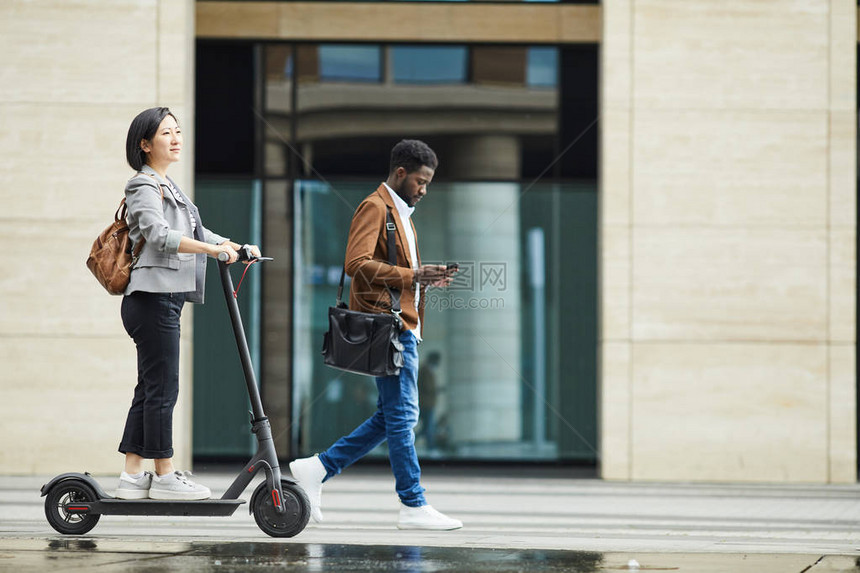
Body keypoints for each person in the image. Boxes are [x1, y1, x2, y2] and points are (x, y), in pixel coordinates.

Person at [290, 139, 462, 530]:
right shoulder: (375, 206)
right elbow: (356, 262)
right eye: (420, 181)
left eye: (428, 183)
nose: (424, 189)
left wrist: (424, 280)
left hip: (404, 323)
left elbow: (395, 271)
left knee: (393, 416)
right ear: (400, 173)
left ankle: (317, 468)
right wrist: (413, 275)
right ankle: (413, 504)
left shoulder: (403, 214)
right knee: (403, 416)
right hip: (389, 327)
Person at [115, 107, 260, 501]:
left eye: (178, 131)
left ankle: (132, 475)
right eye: (166, 133)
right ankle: (163, 475)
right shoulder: (143, 185)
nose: (176, 138)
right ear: (145, 144)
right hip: (151, 298)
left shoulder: (169, 184)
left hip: (165, 299)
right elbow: (160, 236)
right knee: (164, 388)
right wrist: (212, 251)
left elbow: (195, 230)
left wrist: (233, 245)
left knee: (150, 386)